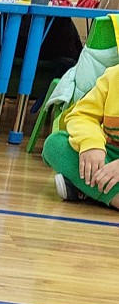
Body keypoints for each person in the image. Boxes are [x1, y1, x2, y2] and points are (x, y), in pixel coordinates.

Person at [43, 65, 119, 209]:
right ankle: (95, 190)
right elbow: (82, 115)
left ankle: (87, 189)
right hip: (111, 157)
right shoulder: (112, 77)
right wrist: (91, 144)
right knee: (55, 144)